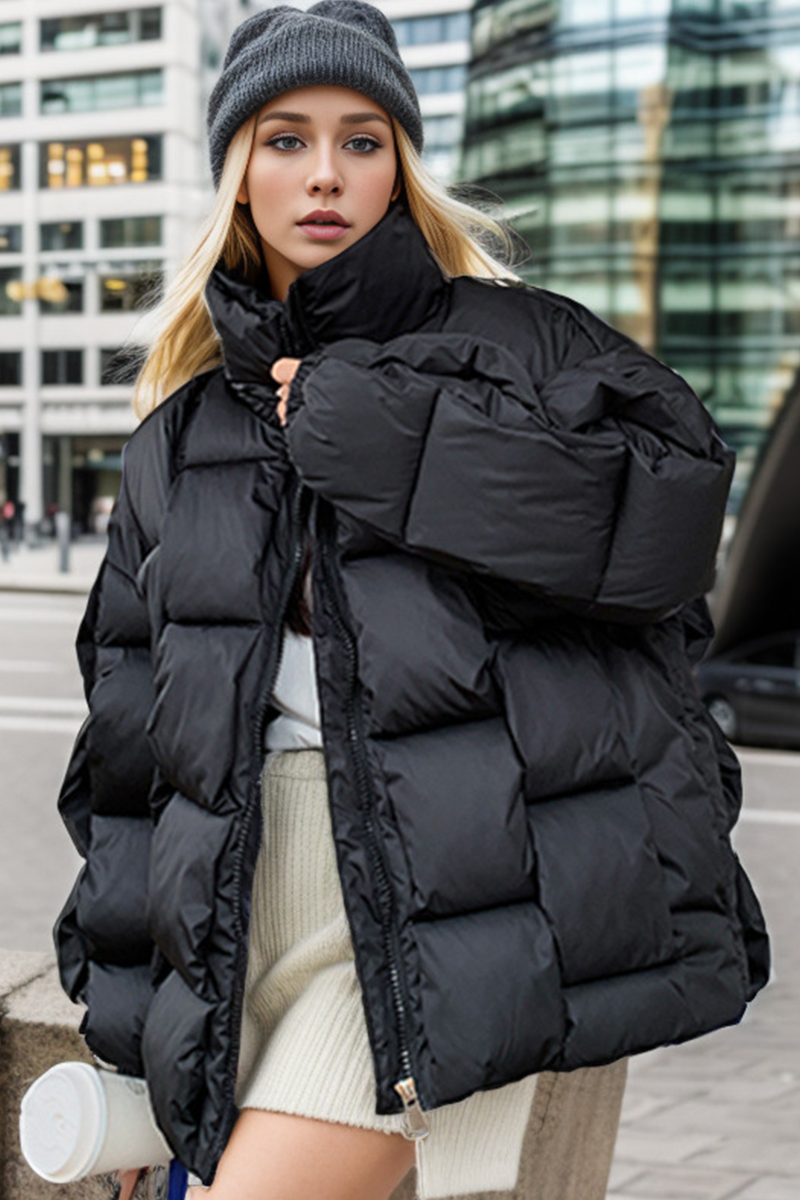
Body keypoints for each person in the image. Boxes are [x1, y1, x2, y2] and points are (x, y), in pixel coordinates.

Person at [51, 4, 770, 1200]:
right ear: (236, 175)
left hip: (425, 909)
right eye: (284, 139)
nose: (324, 173)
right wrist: (143, 1056)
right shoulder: (179, 436)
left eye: (362, 138)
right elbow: (134, 766)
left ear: (402, 165)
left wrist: (381, 430)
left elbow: (666, 522)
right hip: (236, 920)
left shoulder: (514, 346)